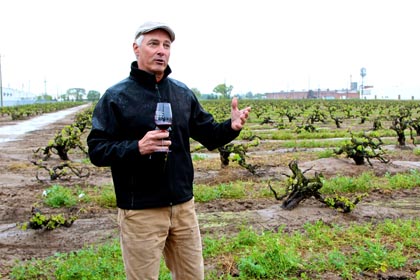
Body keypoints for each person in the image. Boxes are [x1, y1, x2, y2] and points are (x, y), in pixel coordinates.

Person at [87, 21, 251, 280]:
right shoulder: (116, 97)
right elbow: (96, 149)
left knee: (192, 277)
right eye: (153, 44)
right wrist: (136, 147)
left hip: (183, 208)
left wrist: (231, 127)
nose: (161, 51)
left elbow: (209, 135)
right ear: (136, 49)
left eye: (166, 45)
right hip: (141, 211)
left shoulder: (182, 93)